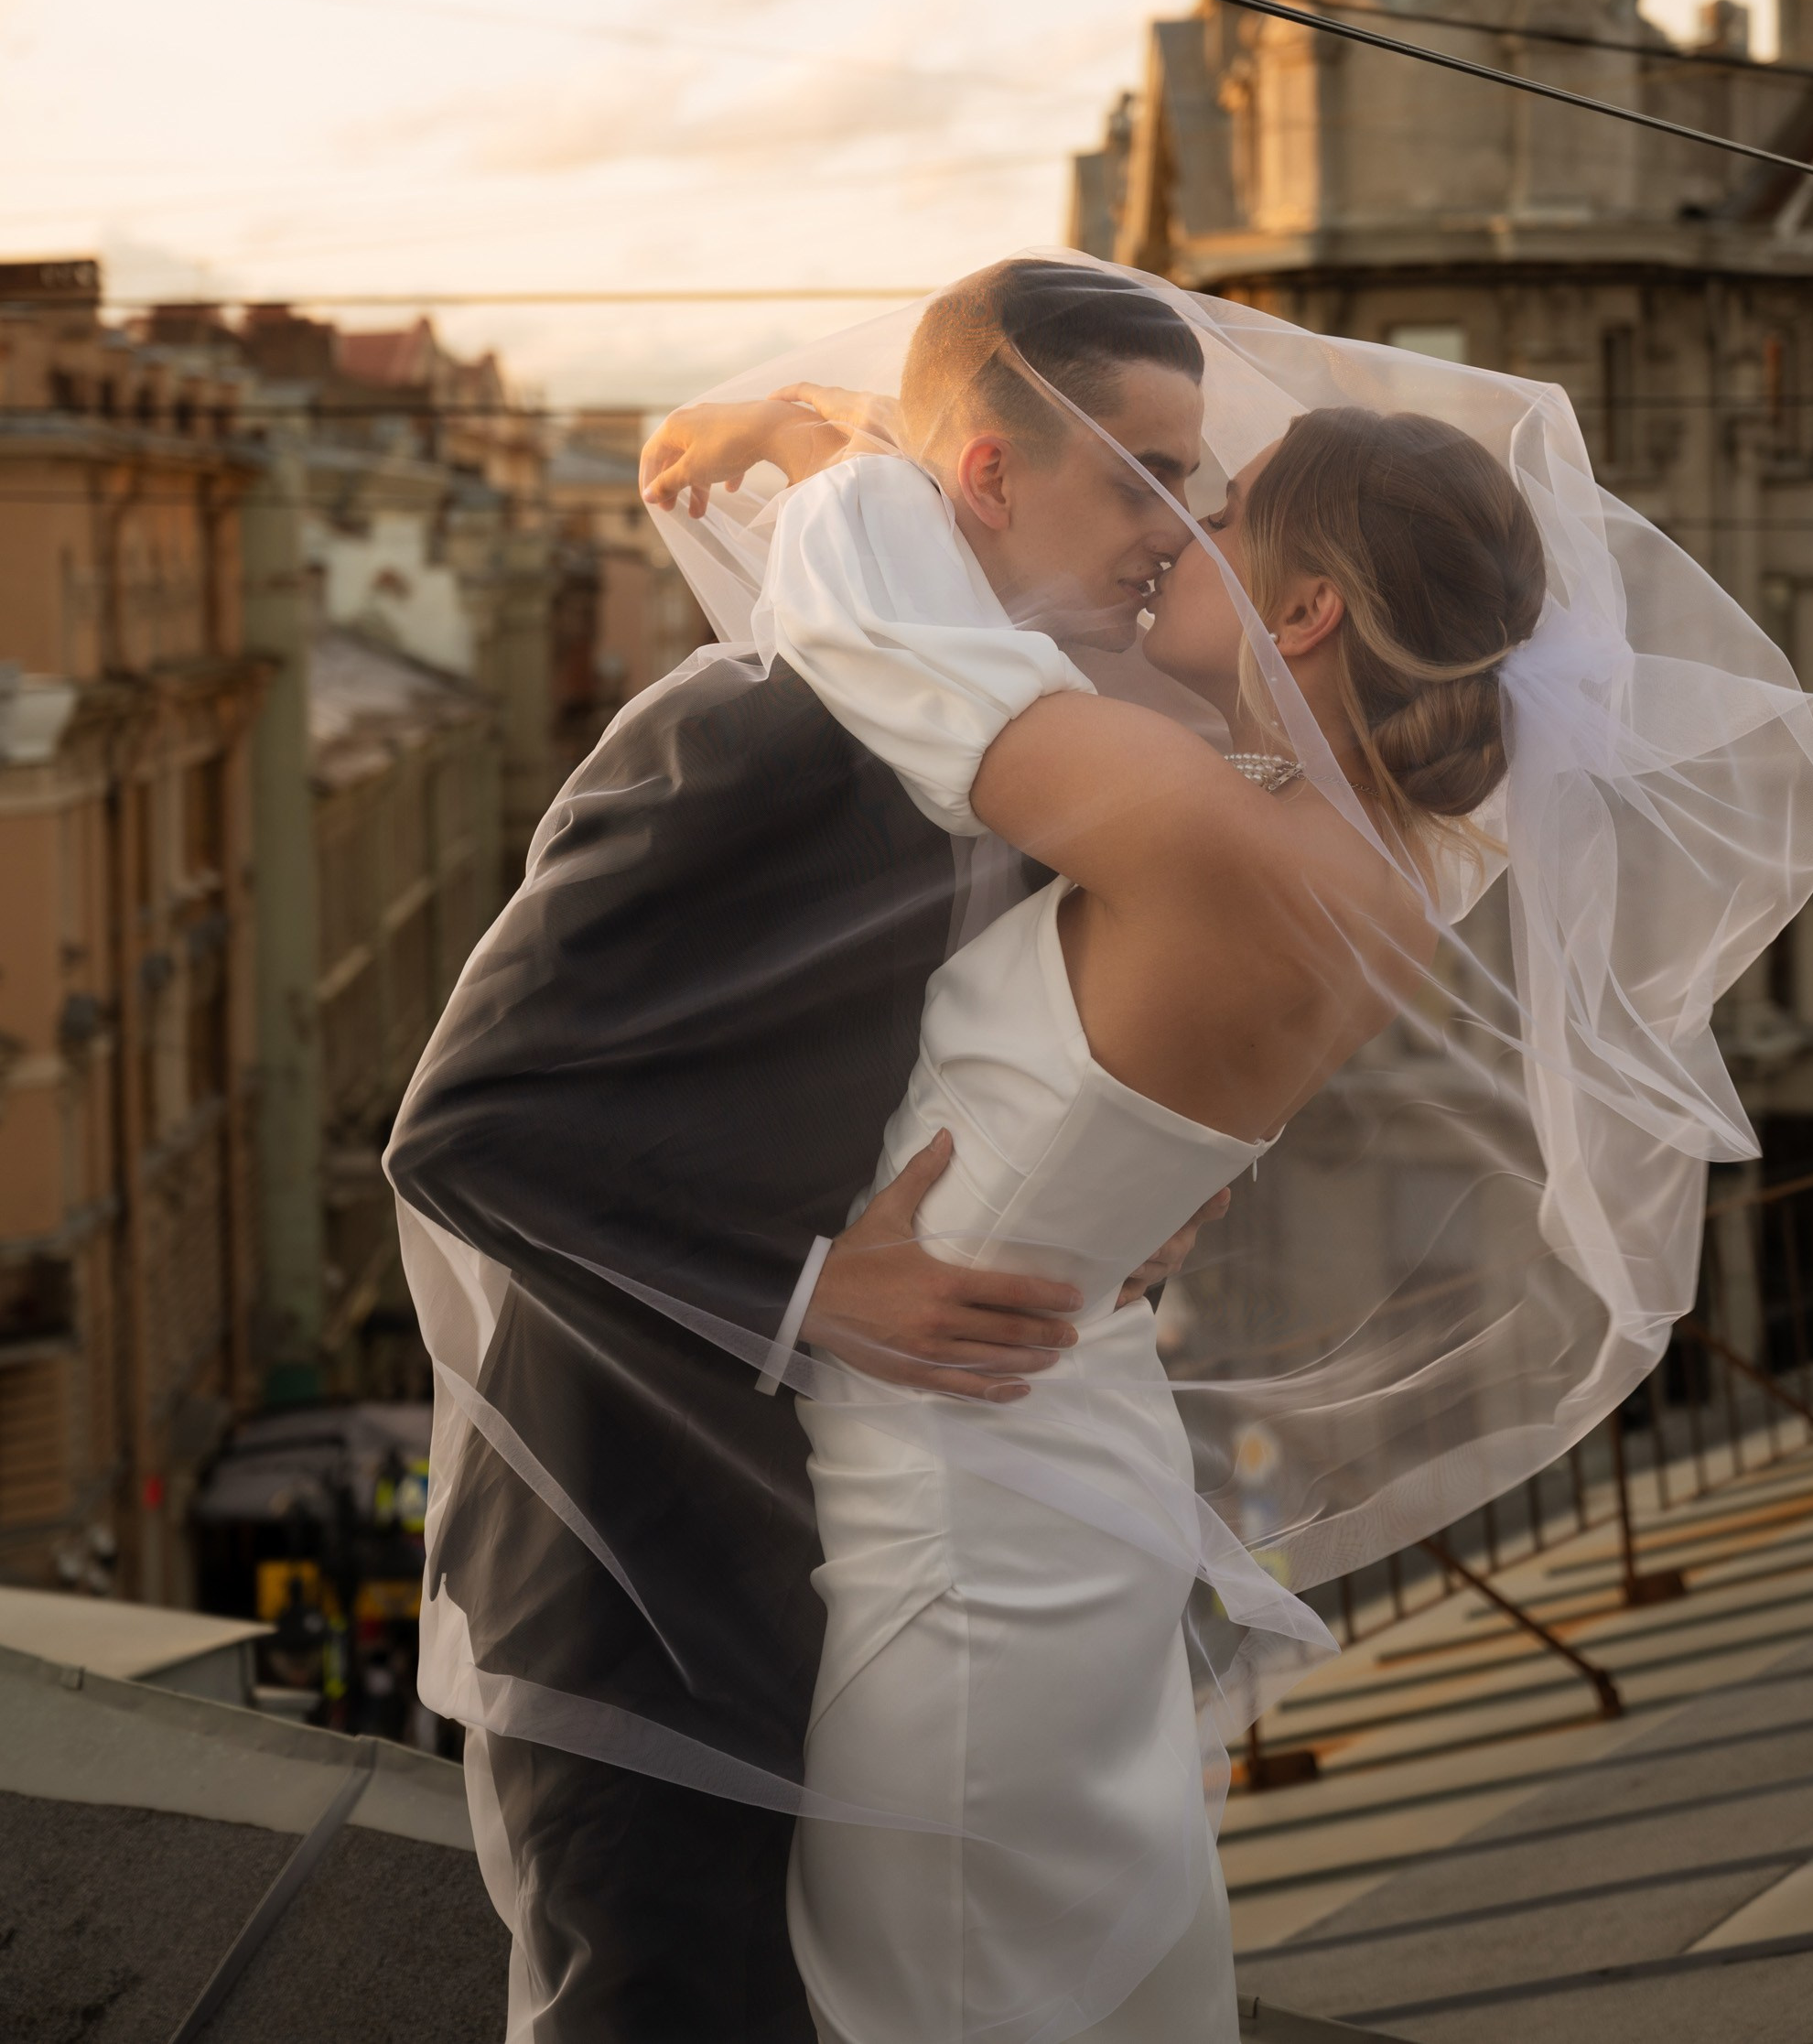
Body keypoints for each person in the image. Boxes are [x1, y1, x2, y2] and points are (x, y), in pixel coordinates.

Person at [386, 260, 1225, 2044]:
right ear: (996, 482)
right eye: (1146, 473)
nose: (1185, 519)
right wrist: (806, 1291)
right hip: (629, 1541)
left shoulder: (1003, 738)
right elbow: (460, 1132)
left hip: (849, 1534)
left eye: (1193, 473)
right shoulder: (745, 724)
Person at [779, 406, 1542, 2043]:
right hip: (1054, 1430)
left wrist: (827, 441)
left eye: (1226, 503)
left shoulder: (1197, 822)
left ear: (1308, 608)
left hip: (963, 1487)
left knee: (943, 1986)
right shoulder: (1389, 865)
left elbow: (874, 624)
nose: (1185, 516)